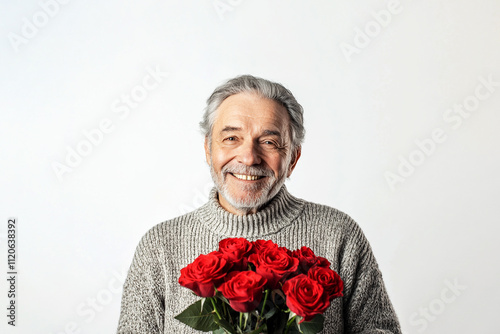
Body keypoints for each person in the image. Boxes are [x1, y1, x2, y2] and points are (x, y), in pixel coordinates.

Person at [117, 75, 402, 333]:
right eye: (231, 138)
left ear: (293, 158)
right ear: (208, 149)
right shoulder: (160, 246)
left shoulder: (339, 234)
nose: (249, 157)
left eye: (268, 142)